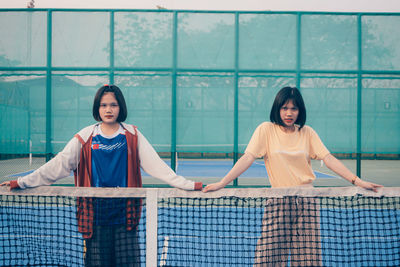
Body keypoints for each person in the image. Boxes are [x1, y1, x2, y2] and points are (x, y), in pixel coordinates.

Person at [1, 84, 202, 267]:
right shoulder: (85, 136)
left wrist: (190, 185)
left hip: (126, 216)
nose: (108, 109)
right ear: (97, 108)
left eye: (113, 105)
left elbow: (157, 166)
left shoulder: (132, 135)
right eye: (104, 105)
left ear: (120, 107)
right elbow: (57, 166)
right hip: (94, 217)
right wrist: (21, 182)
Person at [203, 86, 382, 266]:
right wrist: (222, 182)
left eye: (294, 108)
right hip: (278, 201)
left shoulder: (307, 133)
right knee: (267, 258)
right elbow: (248, 157)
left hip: (307, 202)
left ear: (300, 111)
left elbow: (328, 158)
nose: (289, 113)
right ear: (277, 108)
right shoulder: (266, 130)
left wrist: (357, 181)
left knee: (307, 259)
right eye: (284, 108)